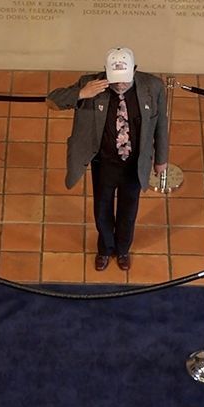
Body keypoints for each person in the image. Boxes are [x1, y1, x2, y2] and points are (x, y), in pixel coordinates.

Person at [47, 47, 168, 271]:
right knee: (102, 207)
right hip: (104, 162)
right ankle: (104, 248)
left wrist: (161, 159)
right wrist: (81, 94)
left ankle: (122, 249)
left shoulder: (153, 87)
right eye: (115, 80)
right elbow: (52, 101)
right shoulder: (90, 83)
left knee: (128, 210)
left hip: (134, 163)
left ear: (134, 70)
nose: (120, 85)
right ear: (105, 72)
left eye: (124, 80)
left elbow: (161, 125)